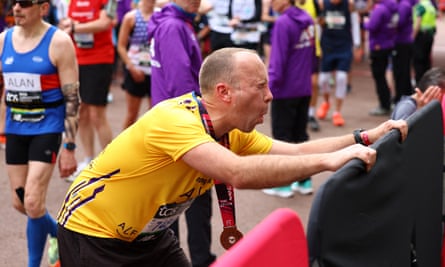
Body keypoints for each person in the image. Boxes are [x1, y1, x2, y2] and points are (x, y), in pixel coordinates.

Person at [56, 47, 408, 266]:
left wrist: (363, 137)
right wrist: (330, 162)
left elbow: (297, 150)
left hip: (150, 237)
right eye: (260, 87)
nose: (269, 96)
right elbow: (237, 173)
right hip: (94, 234)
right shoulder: (174, 121)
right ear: (224, 92)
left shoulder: (230, 132)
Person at [0, 0, 79, 266]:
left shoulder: (59, 42)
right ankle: (59, 234)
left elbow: (72, 98)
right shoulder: (3, 41)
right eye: (13, 3)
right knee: (20, 203)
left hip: (48, 127)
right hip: (15, 129)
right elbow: (3, 92)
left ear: (43, 8)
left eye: (24, 3)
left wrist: (69, 147)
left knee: (33, 202)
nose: (16, 9)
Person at [147, 1, 216, 266]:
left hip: (174, 123)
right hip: (182, 126)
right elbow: (180, 86)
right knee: (186, 201)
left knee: (180, 201)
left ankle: (193, 258)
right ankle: (193, 260)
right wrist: (203, 122)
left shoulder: (179, 22)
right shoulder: (174, 26)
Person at [262, 0, 315, 199]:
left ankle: (283, 184)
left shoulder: (283, 23)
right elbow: (311, 54)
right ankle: (304, 180)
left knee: (282, 137)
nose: (270, 2)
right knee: (300, 135)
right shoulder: (307, 19)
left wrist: (269, 89)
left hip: (285, 89)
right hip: (304, 86)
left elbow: (277, 60)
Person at [59, 0, 115, 180]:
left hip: (99, 60)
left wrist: (75, 27)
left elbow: (105, 22)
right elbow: (67, 21)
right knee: (81, 112)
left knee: (97, 114)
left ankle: (109, 164)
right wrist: (66, 25)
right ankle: (89, 160)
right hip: (76, 60)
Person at [315, 0, 356, 127]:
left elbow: (354, 24)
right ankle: (326, 102)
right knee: (323, 80)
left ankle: (337, 112)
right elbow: (318, 25)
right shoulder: (322, 4)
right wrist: (317, 46)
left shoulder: (349, 5)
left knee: (342, 78)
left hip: (344, 46)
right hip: (327, 46)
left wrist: (358, 45)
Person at [117, 0, 154, 129]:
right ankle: (121, 147)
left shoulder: (160, 16)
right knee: (132, 115)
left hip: (154, 72)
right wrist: (131, 68)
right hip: (135, 69)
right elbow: (121, 46)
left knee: (154, 114)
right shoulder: (131, 17)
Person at [364, 0, 398, 116]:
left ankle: (384, 104)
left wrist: (365, 22)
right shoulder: (392, 7)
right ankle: (387, 102)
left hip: (378, 46)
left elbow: (372, 26)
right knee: (383, 75)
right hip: (388, 43)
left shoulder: (380, 9)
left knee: (379, 76)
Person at [296, 0, 322, 132]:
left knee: (314, 83)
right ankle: (298, 113)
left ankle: (311, 114)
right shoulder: (291, 5)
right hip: (296, 52)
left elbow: (319, 25)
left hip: (313, 50)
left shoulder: (314, 4)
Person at [391, 0, 415, 105]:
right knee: (403, 69)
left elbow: (399, 23)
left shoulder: (403, 5)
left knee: (401, 71)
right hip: (404, 41)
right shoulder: (405, 4)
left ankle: (401, 96)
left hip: (402, 42)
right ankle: (404, 95)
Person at [412, 0, 437, 84]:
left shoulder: (420, 6)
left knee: (419, 61)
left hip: (421, 36)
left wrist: (413, 37)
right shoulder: (430, 4)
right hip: (429, 35)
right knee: (426, 61)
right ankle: (427, 83)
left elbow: (418, 22)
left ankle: (419, 84)